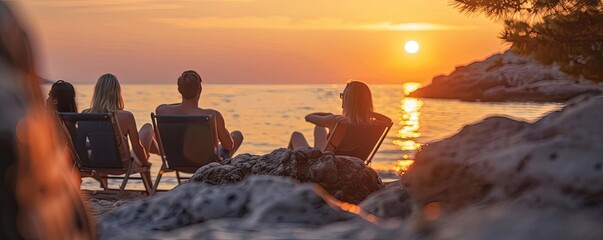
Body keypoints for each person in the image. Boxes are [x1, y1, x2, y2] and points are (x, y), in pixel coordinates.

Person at [156, 70, 243, 159]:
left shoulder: (161, 111)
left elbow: (168, 106)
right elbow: (228, 146)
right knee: (237, 135)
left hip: (176, 161)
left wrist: (182, 105)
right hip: (206, 165)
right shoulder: (213, 115)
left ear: (179, 90)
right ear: (200, 89)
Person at [84, 73, 155, 167]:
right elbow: (136, 147)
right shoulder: (126, 116)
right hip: (123, 164)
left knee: (101, 148)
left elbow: (82, 144)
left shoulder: (86, 115)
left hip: (97, 163)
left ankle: (103, 182)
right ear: (117, 92)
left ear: (97, 92)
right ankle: (149, 176)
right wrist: (145, 164)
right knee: (148, 128)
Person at [288, 80, 380, 149]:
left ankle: (281, 168)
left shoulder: (336, 121)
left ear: (347, 100)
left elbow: (308, 117)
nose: (341, 98)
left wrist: (328, 115)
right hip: (347, 160)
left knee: (296, 135)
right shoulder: (371, 125)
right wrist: (367, 112)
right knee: (319, 128)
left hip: (326, 162)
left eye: (342, 96)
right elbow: (388, 120)